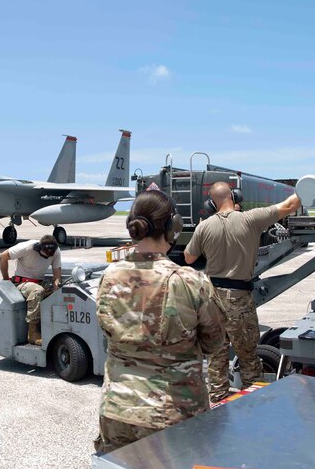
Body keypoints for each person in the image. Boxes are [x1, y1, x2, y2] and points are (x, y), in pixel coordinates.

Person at [94, 189, 226, 454]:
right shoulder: (190, 281)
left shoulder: (109, 276)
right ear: (172, 227)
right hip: (172, 417)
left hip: (117, 412)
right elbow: (214, 342)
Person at [184, 182, 301, 403]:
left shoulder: (204, 226)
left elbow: (189, 258)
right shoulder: (251, 219)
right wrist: (308, 187)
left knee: (216, 361)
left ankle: (218, 404)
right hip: (240, 299)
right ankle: (253, 405)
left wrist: (203, 233)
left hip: (213, 301)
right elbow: (290, 205)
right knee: (249, 359)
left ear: (211, 204)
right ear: (234, 197)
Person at [0, 234, 61, 346]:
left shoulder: (56, 251)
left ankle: (53, 324)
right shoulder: (27, 247)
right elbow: (3, 257)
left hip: (39, 282)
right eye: (45, 255)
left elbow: (57, 274)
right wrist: (6, 280)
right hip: (22, 283)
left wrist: (57, 283)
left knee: (64, 290)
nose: (47, 257)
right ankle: (32, 333)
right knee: (37, 291)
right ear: (38, 248)